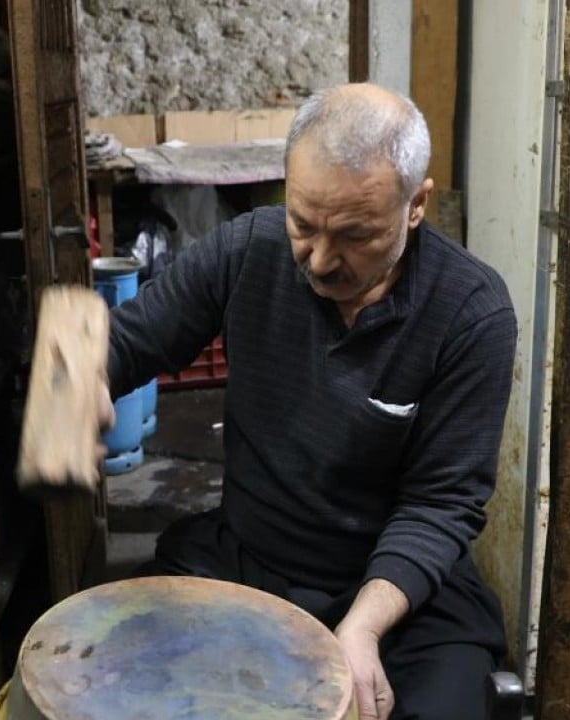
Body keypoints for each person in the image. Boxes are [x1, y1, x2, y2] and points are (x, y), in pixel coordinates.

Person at [101, 83, 517, 720]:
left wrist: (362, 630)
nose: (320, 261)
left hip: (394, 593)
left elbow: (441, 503)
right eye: (303, 223)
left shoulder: (470, 313)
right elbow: (127, 344)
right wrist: (78, 381)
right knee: (131, 679)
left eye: (355, 235)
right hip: (247, 558)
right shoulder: (247, 251)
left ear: (416, 205)